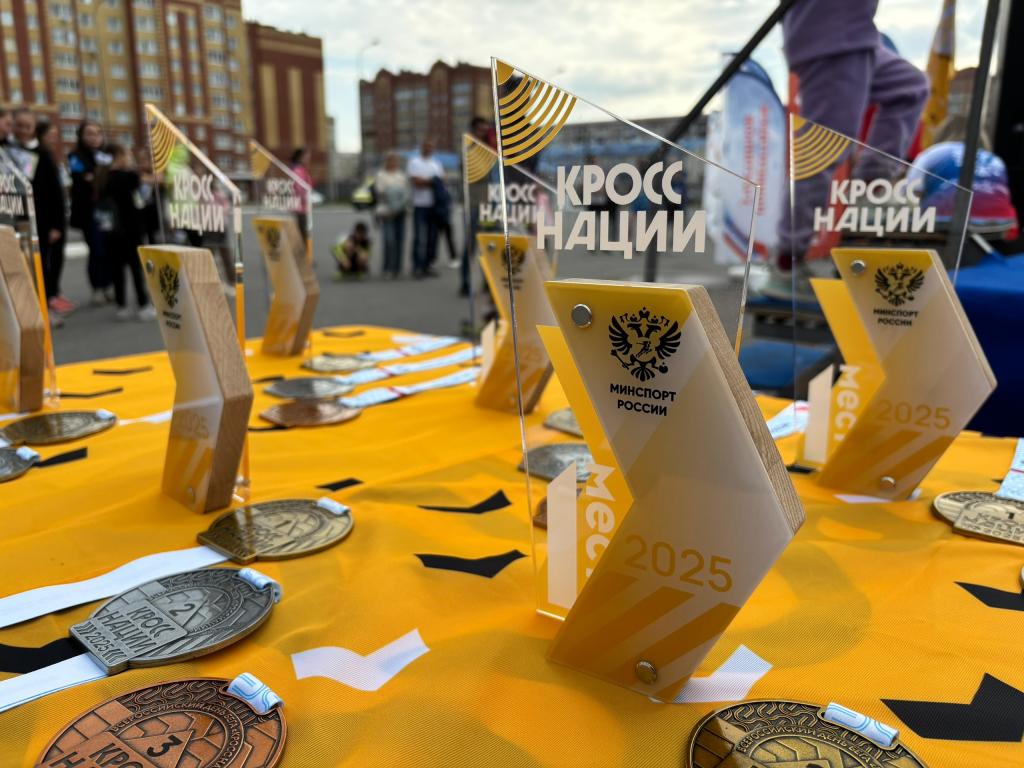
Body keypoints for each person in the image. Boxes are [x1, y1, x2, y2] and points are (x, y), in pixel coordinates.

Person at [766, 0, 929, 300]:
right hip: (831, 36)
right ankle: (787, 261)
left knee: (909, 87)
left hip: (856, 35)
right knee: (823, 150)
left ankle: (871, 183)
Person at [95, 144, 154, 321]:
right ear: (118, 156)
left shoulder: (102, 177)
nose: (129, 158)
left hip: (110, 231)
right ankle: (143, 305)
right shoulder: (128, 177)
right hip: (130, 230)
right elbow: (150, 181)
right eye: (127, 155)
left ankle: (122, 306)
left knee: (117, 269)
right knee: (136, 268)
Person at [69, 120, 113, 304]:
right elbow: (82, 179)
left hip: (108, 212)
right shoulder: (76, 156)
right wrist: (95, 177)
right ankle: (97, 288)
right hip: (88, 213)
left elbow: (109, 179)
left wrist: (94, 177)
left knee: (109, 249)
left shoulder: (107, 155)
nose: (94, 138)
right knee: (96, 250)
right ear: (81, 136)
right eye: (89, 133)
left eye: (97, 133)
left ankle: (108, 285)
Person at [35, 120, 72, 315]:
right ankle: (49, 295)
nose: (53, 139)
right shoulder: (40, 156)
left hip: (58, 217)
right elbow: (45, 193)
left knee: (57, 258)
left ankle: (55, 292)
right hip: (49, 221)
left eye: (55, 135)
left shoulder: (50, 156)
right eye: (50, 135)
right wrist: (54, 225)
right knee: (48, 260)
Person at [407, 138, 443, 278]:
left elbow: (440, 182)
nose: (429, 149)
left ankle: (428, 265)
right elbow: (416, 182)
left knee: (432, 237)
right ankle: (417, 266)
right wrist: (432, 181)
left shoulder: (436, 164)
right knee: (418, 237)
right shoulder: (414, 162)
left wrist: (427, 181)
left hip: (434, 205)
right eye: (426, 146)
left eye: (431, 147)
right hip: (419, 205)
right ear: (422, 147)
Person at [374, 152, 409, 279]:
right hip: (387, 212)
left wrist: (398, 199)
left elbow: (406, 192)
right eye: (391, 161)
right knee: (389, 241)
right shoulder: (381, 175)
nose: (393, 163)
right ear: (387, 162)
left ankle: (397, 268)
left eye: (395, 161)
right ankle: (387, 268)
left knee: (400, 240)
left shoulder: (401, 175)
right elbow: (380, 191)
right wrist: (395, 194)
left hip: (401, 212)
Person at [288, 147, 313, 243]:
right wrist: (306, 199)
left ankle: (302, 250)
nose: (308, 159)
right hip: (299, 207)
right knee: (301, 233)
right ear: (300, 157)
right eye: (306, 157)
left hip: (301, 207)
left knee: (302, 232)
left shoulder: (301, 169)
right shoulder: (297, 170)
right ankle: (302, 251)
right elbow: (299, 188)